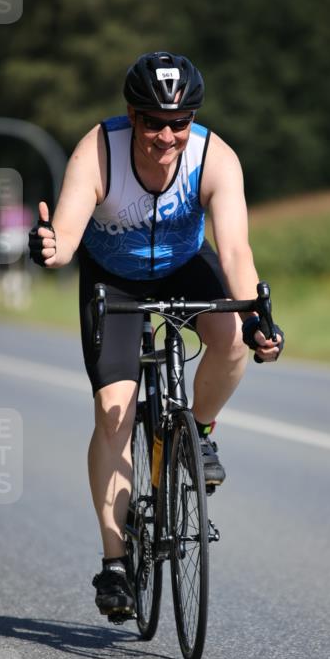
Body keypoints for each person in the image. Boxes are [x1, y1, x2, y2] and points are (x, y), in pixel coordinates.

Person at [29, 51, 284, 620]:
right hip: (113, 278)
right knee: (113, 411)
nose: (167, 136)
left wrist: (255, 320)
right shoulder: (99, 151)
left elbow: (235, 250)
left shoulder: (215, 158)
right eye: (153, 122)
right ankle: (116, 562)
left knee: (231, 339)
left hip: (184, 263)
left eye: (179, 122)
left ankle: (199, 432)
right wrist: (50, 247)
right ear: (132, 115)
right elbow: (66, 235)